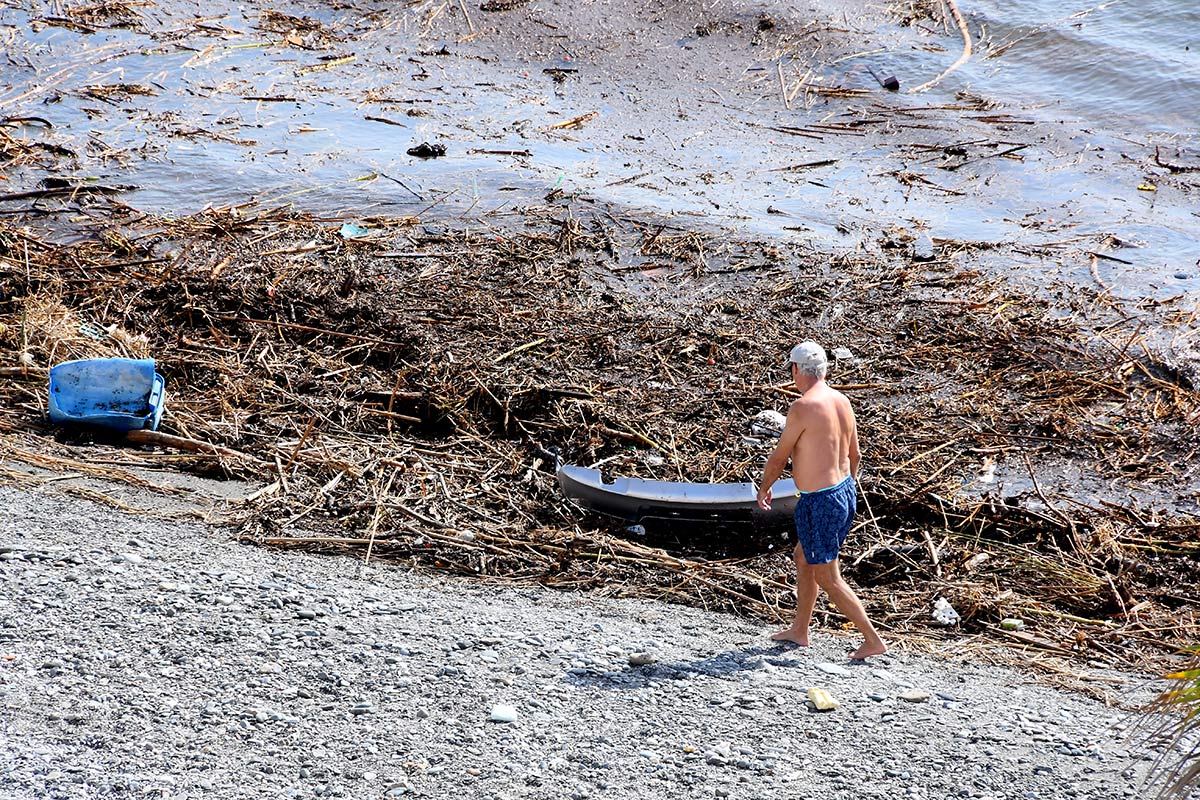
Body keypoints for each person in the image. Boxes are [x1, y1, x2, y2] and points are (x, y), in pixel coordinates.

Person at [756, 341, 887, 660]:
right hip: (843, 492)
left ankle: (872, 640)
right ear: (825, 370)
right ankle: (800, 630)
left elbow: (779, 457)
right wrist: (842, 491)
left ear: (796, 370)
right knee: (804, 558)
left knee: (828, 575)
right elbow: (854, 454)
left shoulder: (803, 407)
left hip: (821, 501)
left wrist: (765, 486)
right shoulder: (841, 400)